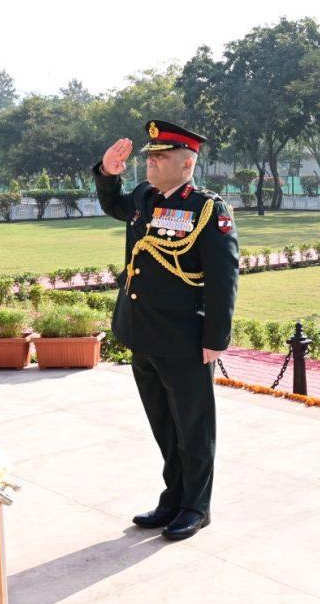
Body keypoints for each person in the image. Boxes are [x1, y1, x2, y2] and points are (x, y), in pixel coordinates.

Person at [92, 120, 239, 540]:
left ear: (187, 164)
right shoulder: (144, 197)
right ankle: (172, 498)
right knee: (164, 425)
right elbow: (113, 204)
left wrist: (215, 339)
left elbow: (223, 277)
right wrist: (107, 173)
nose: (151, 163)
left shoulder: (207, 210)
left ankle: (196, 506)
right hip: (142, 333)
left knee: (193, 427)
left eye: (161, 157)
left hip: (184, 339)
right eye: (150, 156)